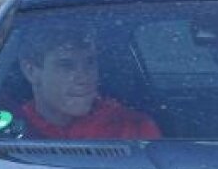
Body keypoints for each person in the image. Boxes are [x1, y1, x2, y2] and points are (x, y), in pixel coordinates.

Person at [17, 24, 160, 140]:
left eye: (90, 63)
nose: (84, 78)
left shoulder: (131, 128)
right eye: (66, 66)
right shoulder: (11, 131)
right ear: (31, 71)